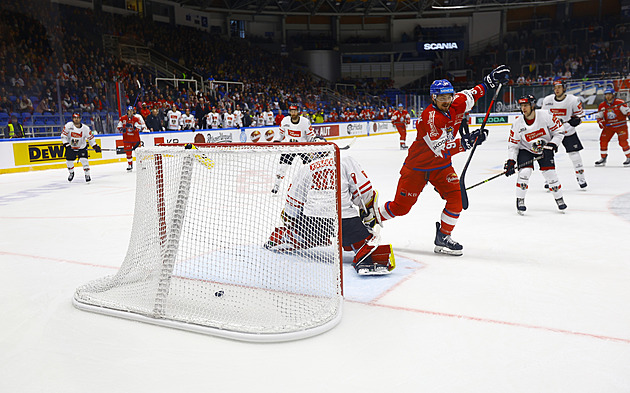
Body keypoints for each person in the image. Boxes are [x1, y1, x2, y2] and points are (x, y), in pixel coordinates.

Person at [376, 65, 510, 256]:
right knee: (401, 208)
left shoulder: (458, 101)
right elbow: (441, 149)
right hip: (417, 167)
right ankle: (371, 218)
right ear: (433, 98)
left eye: (449, 97)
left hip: (442, 167)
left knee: (456, 201)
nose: (446, 101)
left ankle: (443, 237)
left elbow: (475, 93)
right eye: (442, 98)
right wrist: (467, 141)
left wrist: (491, 79)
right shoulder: (430, 118)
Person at [265, 152, 395, 275]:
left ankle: (281, 237)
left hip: (312, 223)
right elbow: (364, 192)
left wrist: (291, 219)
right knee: (367, 240)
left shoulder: (307, 168)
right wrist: (365, 213)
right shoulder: (345, 161)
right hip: (344, 221)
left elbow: (293, 203)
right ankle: (365, 256)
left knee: (301, 233)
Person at [504, 94, 567, 214]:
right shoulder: (517, 123)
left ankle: (559, 198)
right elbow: (513, 145)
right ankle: (520, 200)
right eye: (522, 105)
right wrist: (511, 161)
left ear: (533, 105)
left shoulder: (545, 115)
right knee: (524, 172)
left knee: (551, 174)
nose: (524, 108)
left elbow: (559, 131)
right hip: (525, 149)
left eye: (526, 105)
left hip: (545, 148)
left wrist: (553, 145)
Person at [541, 80, 587, 188]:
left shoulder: (573, 100)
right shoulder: (548, 100)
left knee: (575, 155)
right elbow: (543, 116)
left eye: (559, 87)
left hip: (568, 131)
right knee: (547, 155)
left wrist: (576, 121)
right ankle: (549, 179)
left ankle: (581, 177)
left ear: (564, 88)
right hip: (552, 133)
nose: (557, 89)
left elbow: (580, 116)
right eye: (555, 87)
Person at [271, 104, 317, 194]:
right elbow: (281, 135)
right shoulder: (285, 120)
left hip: (302, 147)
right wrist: (277, 140)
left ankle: (314, 185)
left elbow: (310, 136)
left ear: (298, 111)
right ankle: (276, 185)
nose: (293, 113)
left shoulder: (305, 122)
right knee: (282, 168)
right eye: (291, 111)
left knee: (310, 167)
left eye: (294, 111)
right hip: (289, 147)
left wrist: (312, 146)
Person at [594, 88, 630, 167]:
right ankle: (603, 158)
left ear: (613, 95)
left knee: (622, 141)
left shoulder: (620, 102)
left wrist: (629, 115)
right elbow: (599, 116)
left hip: (621, 126)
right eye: (606, 95)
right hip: (609, 127)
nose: (608, 96)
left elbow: (627, 111)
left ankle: (629, 157)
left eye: (610, 94)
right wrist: (600, 122)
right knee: (603, 140)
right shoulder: (602, 105)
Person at [61, 113, 101, 182]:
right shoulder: (68, 126)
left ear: (80, 119)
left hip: (81, 147)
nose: (76, 119)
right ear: (72, 119)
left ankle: (87, 174)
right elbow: (63, 136)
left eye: (78, 118)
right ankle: (71, 172)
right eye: (75, 118)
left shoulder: (85, 128)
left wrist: (95, 146)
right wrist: (66, 145)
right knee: (68, 161)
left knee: (84, 161)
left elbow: (90, 138)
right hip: (71, 147)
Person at [117, 106, 145, 171]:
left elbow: (138, 128)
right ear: (127, 111)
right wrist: (122, 129)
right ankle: (130, 165)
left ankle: (141, 165)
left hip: (136, 140)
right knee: (128, 153)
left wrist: (133, 127)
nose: (130, 112)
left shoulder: (136, 119)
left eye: (132, 111)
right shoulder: (123, 118)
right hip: (127, 140)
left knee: (139, 153)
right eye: (129, 111)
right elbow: (119, 127)